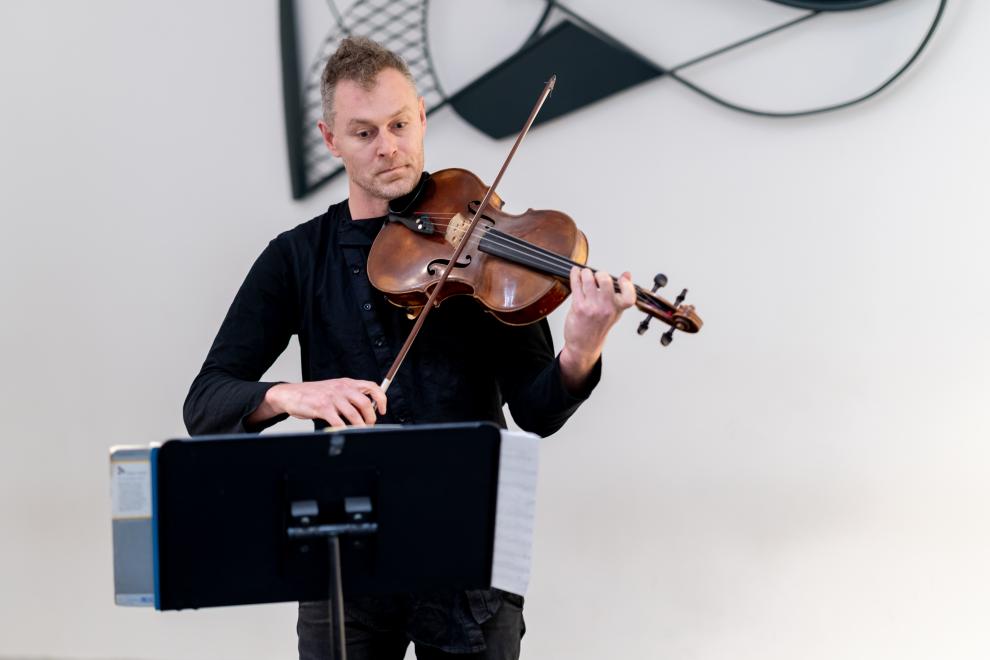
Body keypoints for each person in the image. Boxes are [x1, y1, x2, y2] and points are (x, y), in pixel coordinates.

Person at [183, 36, 635, 660]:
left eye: (399, 124)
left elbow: (536, 409)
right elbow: (205, 402)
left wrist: (581, 349)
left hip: (470, 542)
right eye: (363, 132)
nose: (388, 146)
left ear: (422, 116)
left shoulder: (483, 240)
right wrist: (291, 395)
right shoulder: (296, 257)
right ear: (330, 138)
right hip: (344, 547)